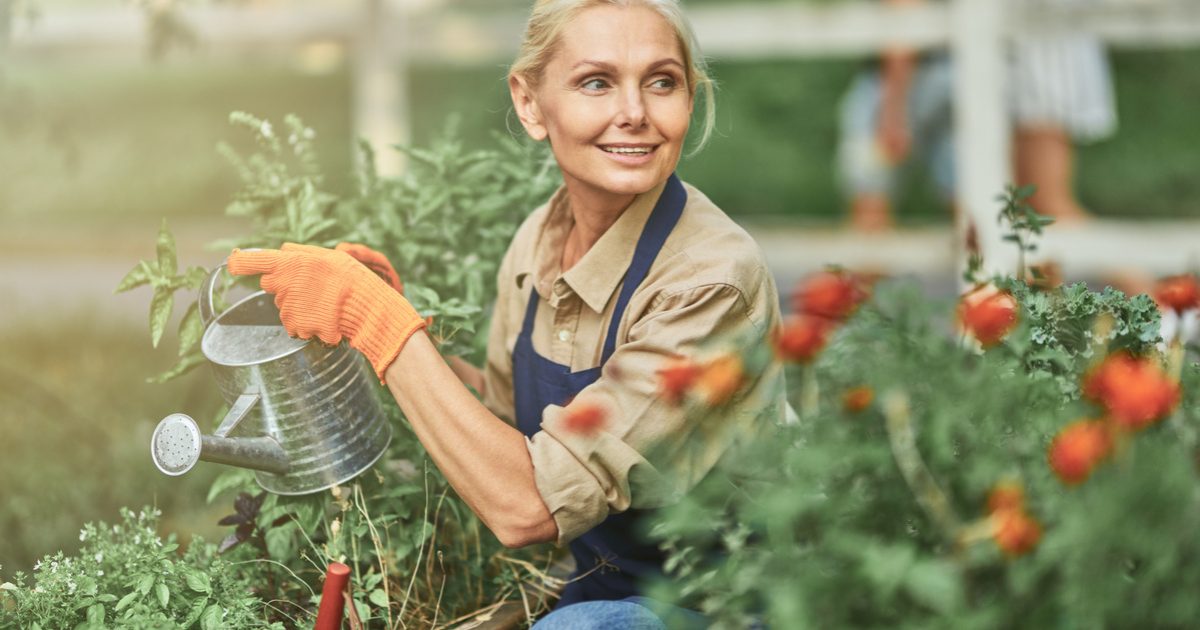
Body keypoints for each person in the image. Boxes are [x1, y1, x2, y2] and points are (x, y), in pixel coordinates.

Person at [226, 0, 787, 626]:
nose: (634, 113)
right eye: (596, 82)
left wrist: (377, 322)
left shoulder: (711, 281)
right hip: (606, 590)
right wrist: (403, 322)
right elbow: (505, 421)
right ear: (529, 103)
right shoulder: (540, 240)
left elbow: (527, 506)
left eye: (662, 81)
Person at [838, 0, 1117, 232]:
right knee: (990, 211)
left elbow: (904, 17)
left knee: (1044, 204)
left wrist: (892, 110)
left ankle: (1144, 293)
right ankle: (1028, 297)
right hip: (967, 73)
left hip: (920, 79)